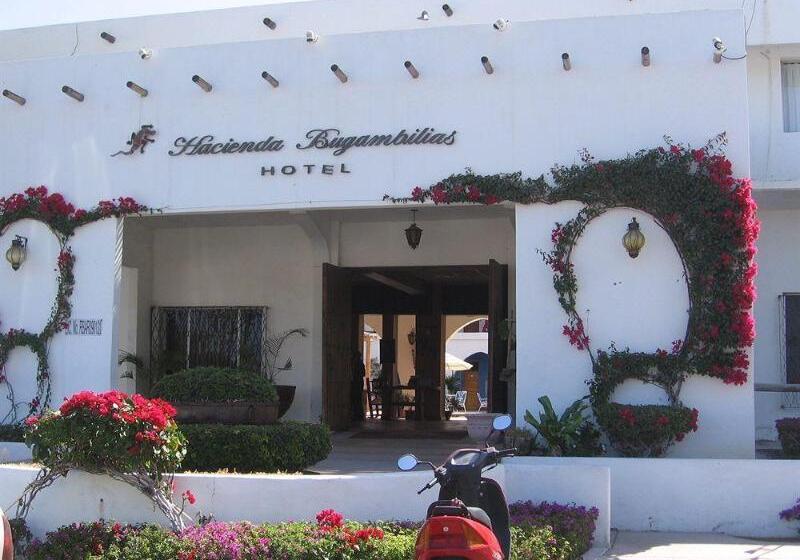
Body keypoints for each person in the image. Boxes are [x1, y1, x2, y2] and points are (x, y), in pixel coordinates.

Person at [351, 351, 366, 421]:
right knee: (358, 399)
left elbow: (362, 373)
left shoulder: (356, 364)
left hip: (357, 382)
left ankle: (358, 415)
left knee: (356, 399)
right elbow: (364, 373)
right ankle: (359, 415)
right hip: (359, 382)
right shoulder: (361, 364)